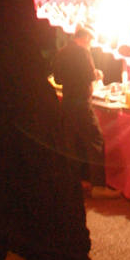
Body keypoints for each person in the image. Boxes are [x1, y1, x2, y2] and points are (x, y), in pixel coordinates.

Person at [53, 26, 120, 199]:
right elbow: (89, 75)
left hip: (67, 103)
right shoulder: (83, 52)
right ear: (88, 38)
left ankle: (76, 182)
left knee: (72, 145)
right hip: (81, 103)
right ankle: (98, 186)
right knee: (95, 140)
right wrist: (98, 74)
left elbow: (58, 79)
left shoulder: (61, 52)